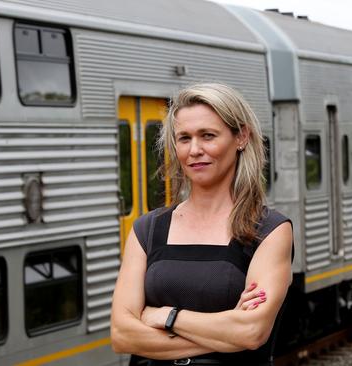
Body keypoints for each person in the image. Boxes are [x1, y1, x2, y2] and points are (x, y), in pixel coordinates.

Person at [111, 83, 293, 366]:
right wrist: (224, 333)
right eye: (184, 138)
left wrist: (166, 316)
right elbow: (122, 335)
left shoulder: (269, 230)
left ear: (241, 137)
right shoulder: (147, 230)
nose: (194, 150)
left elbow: (251, 331)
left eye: (208, 136)